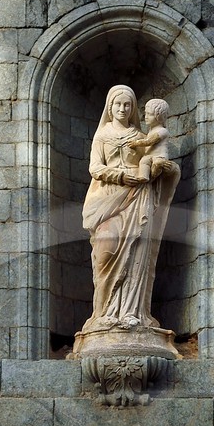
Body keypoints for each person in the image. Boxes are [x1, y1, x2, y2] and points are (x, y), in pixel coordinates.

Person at [78, 85, 180, 337]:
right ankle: (104, 313)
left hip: (138, 199)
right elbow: (95, 168)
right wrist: (122, 176)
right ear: (109, 107)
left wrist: (165, 170)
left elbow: (154, 163)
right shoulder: (102, 136)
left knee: (137, 252)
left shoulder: (141, 135)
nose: (123, 109)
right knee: (105, 252)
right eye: (118, 105)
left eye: (127, 105)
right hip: (108, 198)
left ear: (133, 108)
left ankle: (132, 311)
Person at [125, 98, 173, 182]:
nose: (145, 117)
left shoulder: (162, 131)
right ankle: (144, 176)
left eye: (149, 114)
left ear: (159, 117)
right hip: (150, 156)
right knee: (143, 161)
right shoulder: (150, 131)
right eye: (145, 114)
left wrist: (136, 143)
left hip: (159, 156)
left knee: (157, 163)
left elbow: (150, 141)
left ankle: (157, 169)